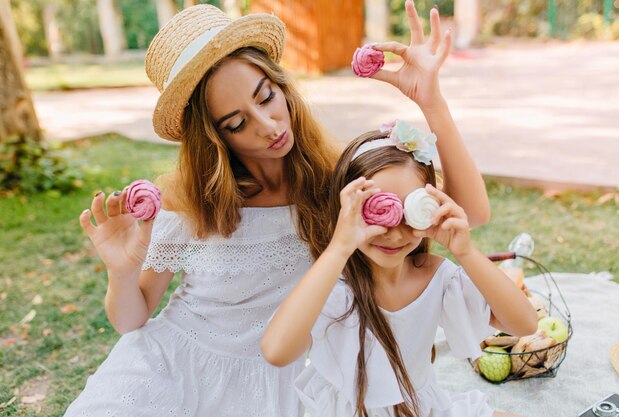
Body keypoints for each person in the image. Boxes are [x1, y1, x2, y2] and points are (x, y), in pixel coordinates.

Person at [65, 2, 489, 416]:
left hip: (285, 376)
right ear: (213, 137)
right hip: (173, 363)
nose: (268, 126)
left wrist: (432, 104)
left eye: (265, 97)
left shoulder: (334, 180)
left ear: (281, 86)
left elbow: (470, 213)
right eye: (236, 123)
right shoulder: (185, 199)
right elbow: (130, 320)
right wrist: (122, 271)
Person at [261, 126, 538, 417]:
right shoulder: (336, 286)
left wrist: (465, 252)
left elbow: (524, 324)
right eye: (376, 211)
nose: (393, 234)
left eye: (409, 214)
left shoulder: (435, 277)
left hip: (419, 408)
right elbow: (277, 351)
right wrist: (339, 248)